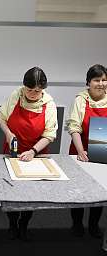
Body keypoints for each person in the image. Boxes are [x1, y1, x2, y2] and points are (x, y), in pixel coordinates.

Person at [0, 66, 58, 240]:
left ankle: (24, 223)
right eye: (29, 90)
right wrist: (8, 133)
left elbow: (50, 134)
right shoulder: (16, 96)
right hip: (13, 150)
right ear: (24, 86)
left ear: (43, 90)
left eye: (37, 91)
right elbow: (1, 118)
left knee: (31, 193)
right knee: (11, 190)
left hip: (37, 153)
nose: (32, 93)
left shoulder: (49, 104)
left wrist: (33, 151)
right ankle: (12, 223)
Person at [67, 64, 107, 238]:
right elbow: (74, 127)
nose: (101, 83)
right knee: (79, 189)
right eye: (97, 80)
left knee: (99, 189)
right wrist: (81, 151)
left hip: (102, 149)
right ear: (88, 82)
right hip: (79, 148)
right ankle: (76, 224)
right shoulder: (80, 100)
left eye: (104, 80)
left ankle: (93, 225)